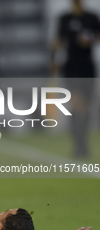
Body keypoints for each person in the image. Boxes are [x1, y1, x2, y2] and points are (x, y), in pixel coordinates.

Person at [51, 0, 100, 157]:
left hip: (88, 67)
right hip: (71, 68)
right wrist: (54, 61)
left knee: (86, 108)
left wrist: (89, 39)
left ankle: (82, 144)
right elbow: (58, 41)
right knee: (77, 104)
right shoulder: (64, 18)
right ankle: (79, 145)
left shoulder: (92, 17)